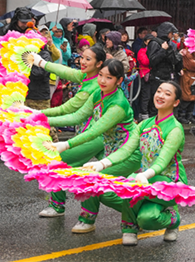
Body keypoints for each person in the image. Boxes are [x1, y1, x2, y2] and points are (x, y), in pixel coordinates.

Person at [45, 59, 141, 236]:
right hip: (110, 150)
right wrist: (40, 118)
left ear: (119, 81)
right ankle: (134, 211)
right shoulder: (99, 93)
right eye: (101, 76)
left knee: (93, 180)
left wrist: (65, 145)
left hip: (128, 154)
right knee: (94, 181)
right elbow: (76, 116)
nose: (103, 81)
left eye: (109, 77)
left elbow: (96, 130)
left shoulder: (118, 104)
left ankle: (136, 212)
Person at [34, 46, 107, 217]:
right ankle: (134, 216)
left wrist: (37, 114)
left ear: (99, 64)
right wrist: (43, 63)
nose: (82, 61)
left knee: (57, 161)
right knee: (114, 182)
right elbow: (65, 71)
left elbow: (69, 112)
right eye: (82, 57)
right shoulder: (87, 77)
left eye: (88, 59)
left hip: (96, 136)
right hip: (96, 135)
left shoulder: (94, 85)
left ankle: (61, 207)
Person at [122, 81, 187, 245]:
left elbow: (163, 161)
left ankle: (173, 219)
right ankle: (130, 228)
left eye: (167, 93)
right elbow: (126, 149)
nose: (160, 96)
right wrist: (102, 164)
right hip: (147, 181)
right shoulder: (145, 124)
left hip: (171, 182)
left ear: (176, 102)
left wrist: (144, 174)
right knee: (143, 214)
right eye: (159, 91)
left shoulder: (175, 129)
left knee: (133, 186)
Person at [178, 48, 195, 124]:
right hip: (187, 76)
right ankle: (182, 116)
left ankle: (189, 116)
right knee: (186, 96)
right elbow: (192, 65)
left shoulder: (194, 53)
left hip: (194, 76)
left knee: (194, 96)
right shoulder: (185, 52)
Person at [138, 35, 153, 120]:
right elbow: (145, 62)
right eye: (149, 40)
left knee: (151, 94)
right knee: (145, 95)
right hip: (145, 75)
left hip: (152, 75)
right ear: (145, 42)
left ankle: (149, 112)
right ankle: (144, 113)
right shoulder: (142, 51)